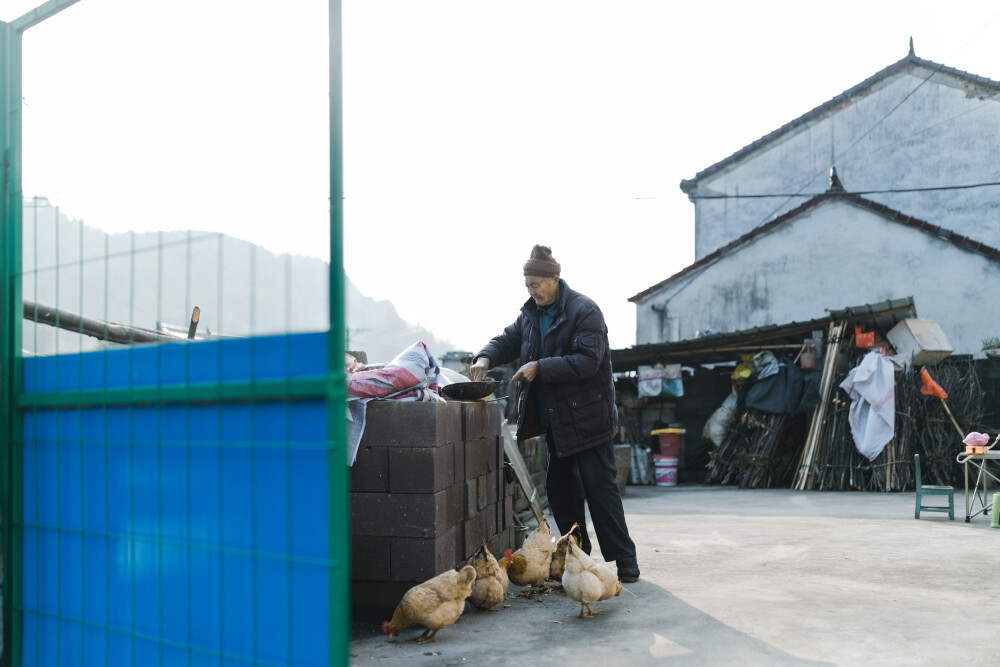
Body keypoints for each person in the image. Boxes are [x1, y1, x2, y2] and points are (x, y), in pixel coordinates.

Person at [469, 244, 640, 582]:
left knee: (599, 490)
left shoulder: (584, 311)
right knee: (561, 494)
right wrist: (485, 357)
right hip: (555, 421)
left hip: (589, 419)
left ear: (554, 279)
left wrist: (540, 366)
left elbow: (589, 361)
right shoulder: (531, 315)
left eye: (536, 284)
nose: (531, 291)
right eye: (527, 285)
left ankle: (625, 560)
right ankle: (578, 556)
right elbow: (507, 340)